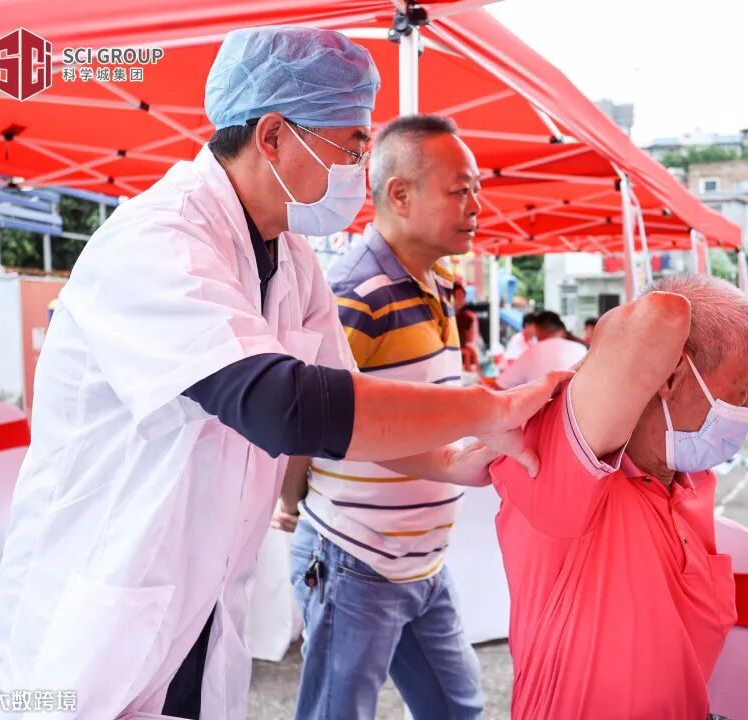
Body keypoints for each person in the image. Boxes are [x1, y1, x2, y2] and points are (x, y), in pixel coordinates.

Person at [0, 27, 563, 720]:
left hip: (198, 601)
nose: (359, 169)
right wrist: (489, 410)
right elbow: (284, 405)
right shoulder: (159, 239)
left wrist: (449, 461)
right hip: (104, 601)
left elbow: (346, 407)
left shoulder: (289, 257)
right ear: (272, 136)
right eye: (351, 145)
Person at [275, 114, 485, 720]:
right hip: (355, 559)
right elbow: (305, 419)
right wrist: (289, 500)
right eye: (460, 190)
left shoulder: (439, 284)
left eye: (476, 190)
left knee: (459, 710)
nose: (476, 206)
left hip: (423, 560)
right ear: (400, 194)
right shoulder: (354, 294)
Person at [489, 274, 748, 719]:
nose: (745, 410)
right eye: (743, 389)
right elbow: (660, 314)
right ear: (673, 375)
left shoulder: (691, 480)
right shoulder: (567, 472)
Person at [496, 310, 587, 389]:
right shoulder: (581, 349)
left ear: (537, 329)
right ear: (561, 329)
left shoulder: (531, 353)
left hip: (541, 403)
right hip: (576, 402)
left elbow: (502, 383)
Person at [453, 279, 481, 371]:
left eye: (462, 297)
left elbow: (472, 341)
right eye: (457, 296)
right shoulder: (446, 317)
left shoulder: (469, 317)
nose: (460, 300)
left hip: (465, 361)